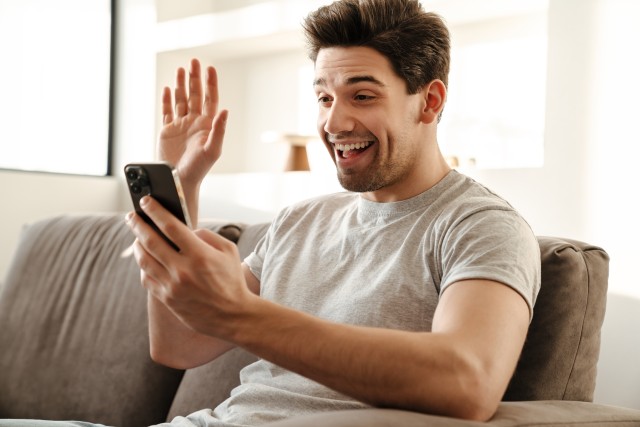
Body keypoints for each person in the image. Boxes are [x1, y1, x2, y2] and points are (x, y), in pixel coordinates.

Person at [0, 0, 540, 426]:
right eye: (324, 97)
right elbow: (179, 346)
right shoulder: (300, 221)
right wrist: (182, 185)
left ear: (429, 101)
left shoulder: (480, 225)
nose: (335, 121)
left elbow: (467, 382)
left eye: (363, 95)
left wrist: (240, 312)